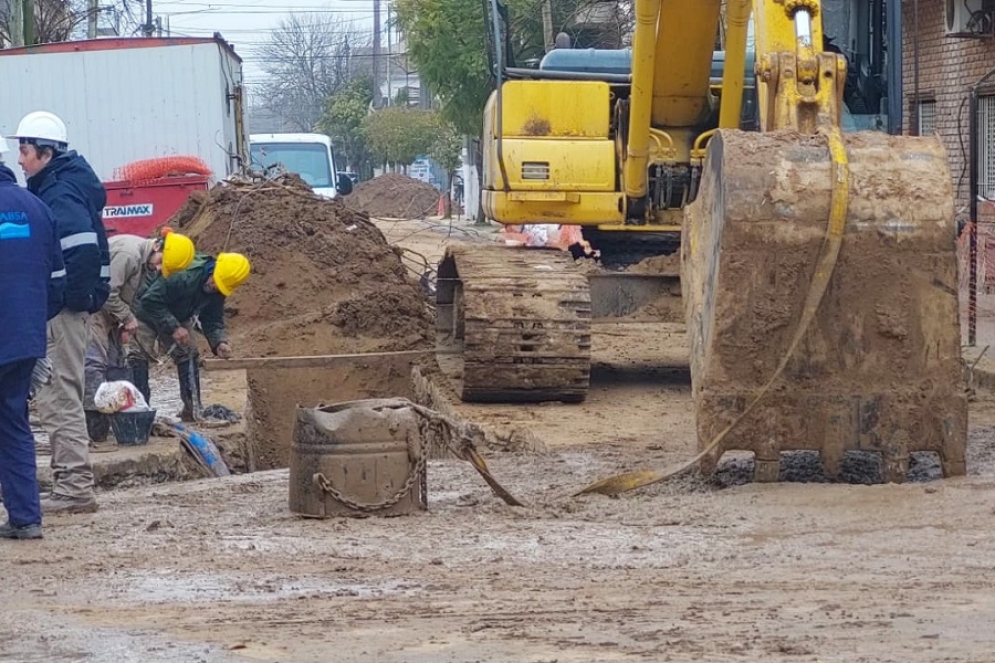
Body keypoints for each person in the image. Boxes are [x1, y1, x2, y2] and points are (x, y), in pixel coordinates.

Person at [12, 110, 111, 515]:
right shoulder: (65, 185)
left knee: (58, 396)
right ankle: (71, 482)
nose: (20, 161)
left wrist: (60, 300)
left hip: (64, 313)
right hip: (72, 309)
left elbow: (81, 252)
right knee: (60, 393)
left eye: (25, 151)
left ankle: (74, 488)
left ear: (46, 153)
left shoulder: (60, 193)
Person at [0, 131, 66, 539]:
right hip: (23, 342)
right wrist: (29, 324)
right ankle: (26, 519)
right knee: (14, 426)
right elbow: (58, 282)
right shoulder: (37, 207)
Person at [84, 229, 196, 447]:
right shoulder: (129, 254)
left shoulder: (144, 261)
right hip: (93, 310)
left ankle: (112, 421)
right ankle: (93, 425)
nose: (158, 267)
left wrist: (127, 319)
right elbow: (108, 292)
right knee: (94, 365)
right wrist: (127, 318)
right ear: (157, 246)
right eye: (161, 261)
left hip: (109, 314)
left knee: (116, 364)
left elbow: (132, 295)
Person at [131, 251, 251, 421]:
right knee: (139, 356)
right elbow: (150, 301)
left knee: (188, 353)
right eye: (215, 282)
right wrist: (174, 327)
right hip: (147, 310)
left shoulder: (218, 289)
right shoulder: (183, 277)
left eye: (220, 286)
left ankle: (192, 410)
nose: (215, 287)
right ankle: (140, 414)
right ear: (213, 271)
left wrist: (219, 342)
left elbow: (212, 318)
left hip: (177, 313)